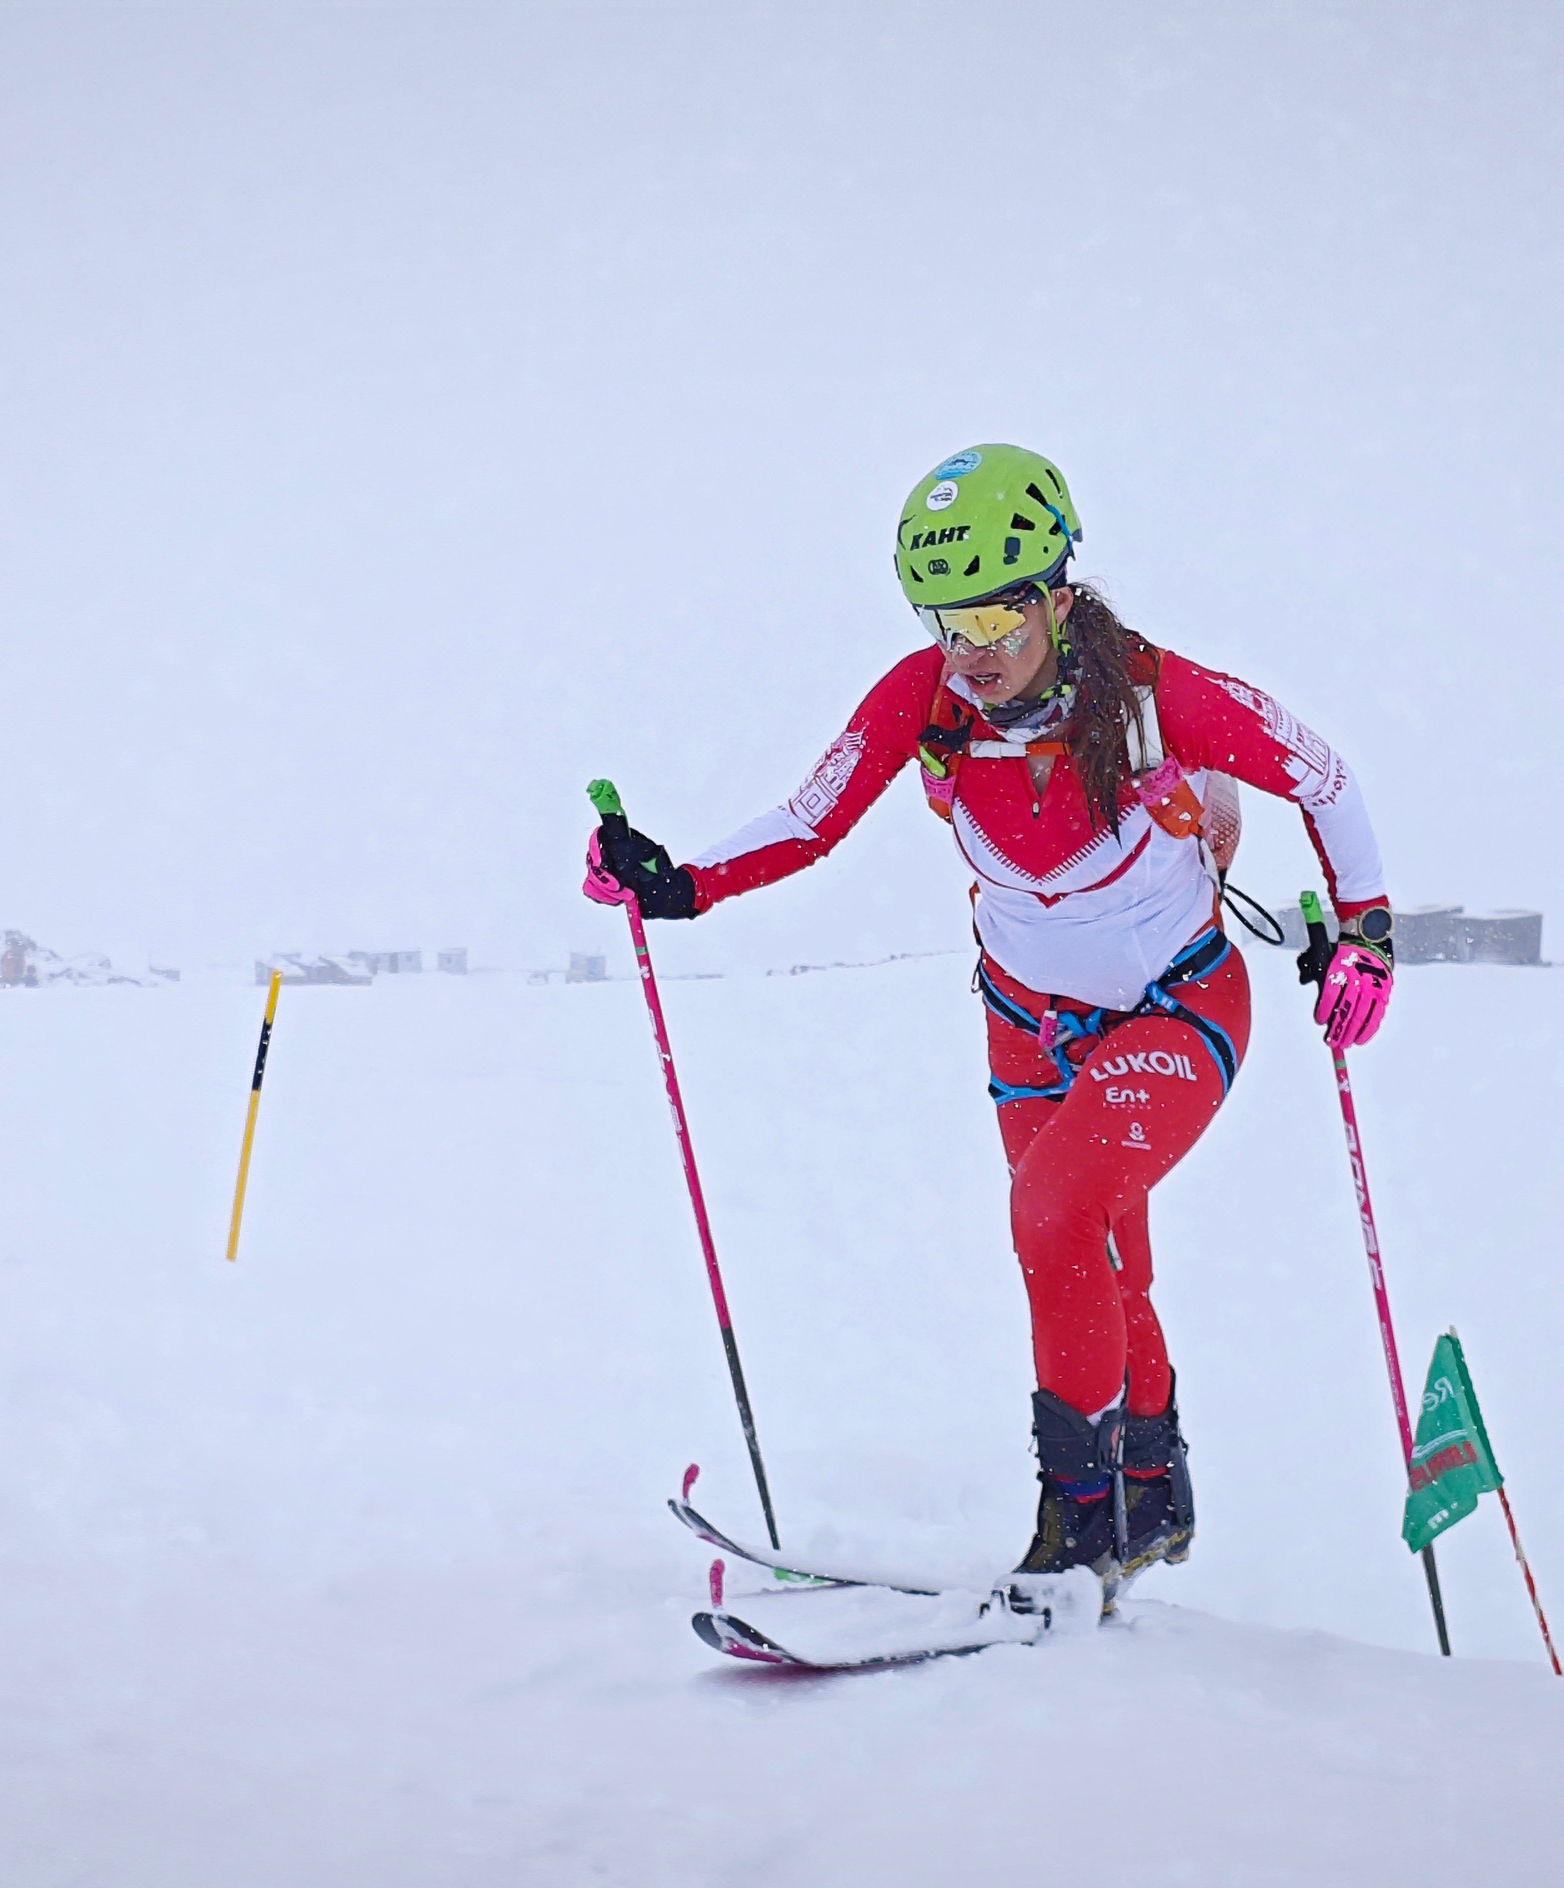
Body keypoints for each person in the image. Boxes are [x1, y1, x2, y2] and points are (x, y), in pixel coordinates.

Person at [585, 444, 1394, 1592]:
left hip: (1176, 1008)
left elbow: (1324, 777)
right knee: (1098, 1255)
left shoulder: (1165, 694)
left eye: (998, 624)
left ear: (1058, 598)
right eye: (944, 624)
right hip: (1024, 1020)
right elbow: (812, 817)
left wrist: (1366, 931)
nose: (971, 656)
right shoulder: (924, 698)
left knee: (1056, 1213)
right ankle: (1151, 1491)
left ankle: (1076, 1534)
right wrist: (681, 880)